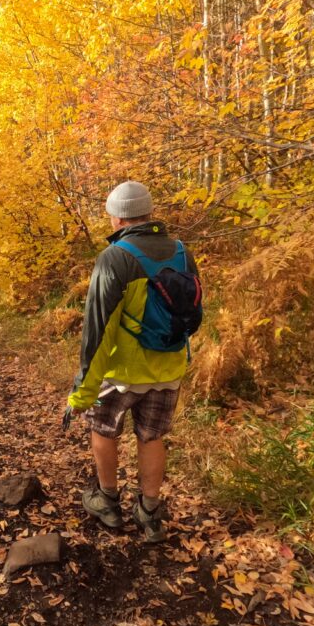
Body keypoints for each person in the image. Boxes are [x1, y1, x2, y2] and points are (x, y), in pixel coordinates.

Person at [64, 181, 199, 541]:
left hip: (122, 373)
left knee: (103, 429)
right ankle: (150, 513)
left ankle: (107, 501)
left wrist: (82, 392)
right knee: (152, 437)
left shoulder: (116, 257)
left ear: (116, 217)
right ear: (149, 213)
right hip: (168, 368)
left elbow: (98, 329)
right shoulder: (182, 252)